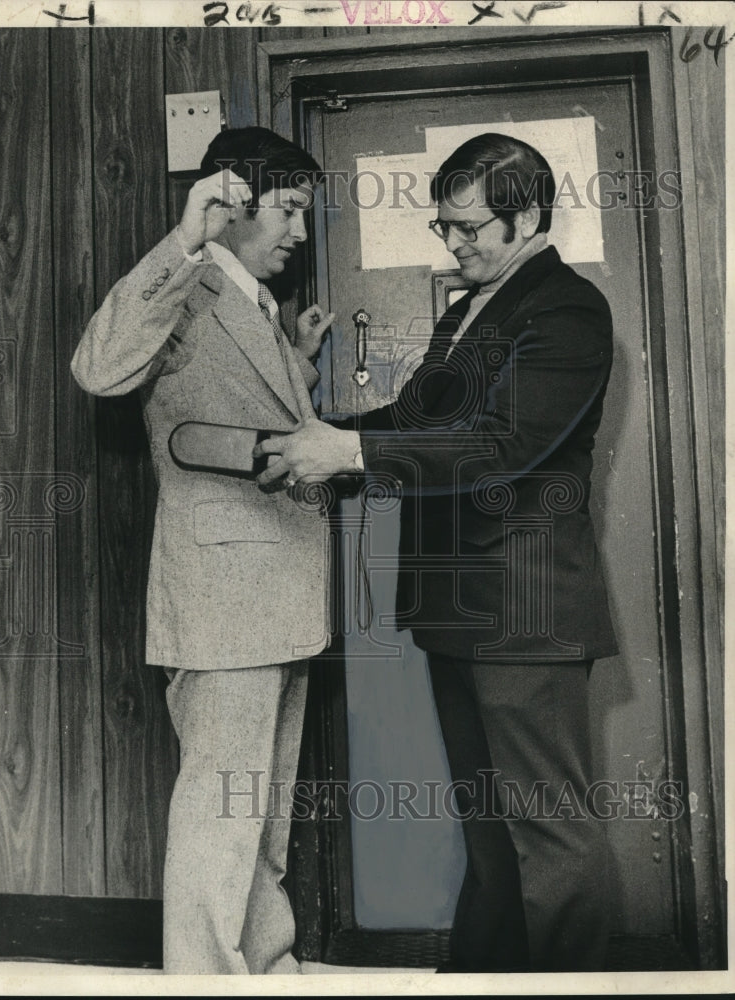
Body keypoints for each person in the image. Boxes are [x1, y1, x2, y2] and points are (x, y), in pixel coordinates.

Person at [255, 133, 619, 972]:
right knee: (489, 832)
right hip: (458, 610)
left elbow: (501, 445)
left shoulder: (567, 307)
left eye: (468, 227)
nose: (453, 245)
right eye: (441, 228)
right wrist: (328, 434)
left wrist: (346, 458)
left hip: (524, 614)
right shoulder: (467, 311)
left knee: (550, 837)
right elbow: (417, 425)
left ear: (525, 214)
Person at [71, 127, 335, 975]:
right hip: (224, 595)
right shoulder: (190, 283)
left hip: (283, 589)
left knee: (260, 813)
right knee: (224, 812)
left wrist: (299, 361)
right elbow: (99, 367)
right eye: (289, 209)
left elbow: (239, 414)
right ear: (234, 200)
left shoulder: (257, 305)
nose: (299, 231)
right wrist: (186, 237)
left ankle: (263, 965)